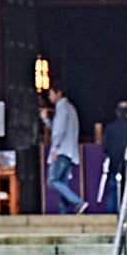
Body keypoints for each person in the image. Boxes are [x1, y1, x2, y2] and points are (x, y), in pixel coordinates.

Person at [45, 84, 85, 214]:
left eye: (51, 93)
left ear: (58, 93)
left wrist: (55, 148)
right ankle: (63, 212)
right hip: (70, 151)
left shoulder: (62, 108)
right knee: (63, 183)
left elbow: (59, 131)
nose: (49, 96)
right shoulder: (71, 108)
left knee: (53, 180)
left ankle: (77, 201)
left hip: (61, 150)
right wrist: (46, 120)